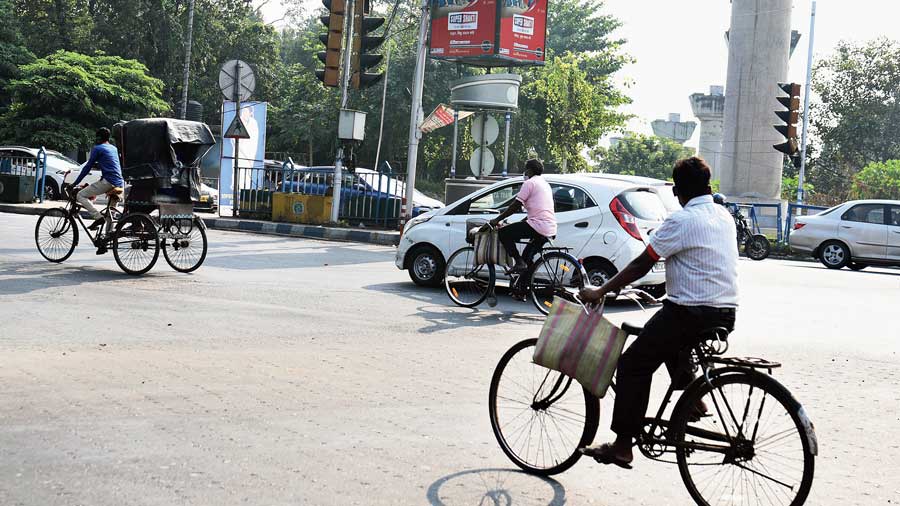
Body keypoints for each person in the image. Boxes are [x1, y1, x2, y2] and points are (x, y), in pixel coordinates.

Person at [578, 156, 739, 468]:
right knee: (664, 332)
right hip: (724, 312)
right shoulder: (723, 216)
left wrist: (601, 290)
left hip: (689, 312)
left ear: (678, 192)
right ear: (708, 187)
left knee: (631, 365)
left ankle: (623, 445)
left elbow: (642, 263)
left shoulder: (681, 221)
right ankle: (694, 398)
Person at [488, 158, 557, 274]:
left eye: (525, 170)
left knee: (503, 233)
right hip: (550, 227)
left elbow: (515, 206)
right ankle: (525, 286)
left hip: (538, 226)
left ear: (529, 171)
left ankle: (518, 263)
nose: (524, 173)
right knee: (526, 257)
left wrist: (497, 219)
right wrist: (518, 223)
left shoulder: (529, 183)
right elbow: (537, 211)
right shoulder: (545, 184)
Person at [72, 127, 125, 250]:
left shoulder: (98, 148)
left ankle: (97, 217)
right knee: (110, 212)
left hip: (108, 182)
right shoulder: (113, 148)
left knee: (80, 195)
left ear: (99, 138)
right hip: (119, 183)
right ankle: (105, 242)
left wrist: (75, 183)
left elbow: (87, 167)